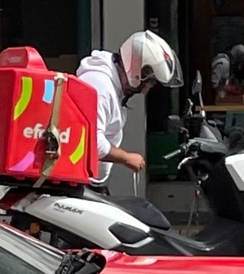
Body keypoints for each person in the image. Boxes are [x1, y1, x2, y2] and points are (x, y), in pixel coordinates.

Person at [73, 30, 180, 184]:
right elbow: (92, 142)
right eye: (150, 82)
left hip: (88, 181)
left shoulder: (109, 85)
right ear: (138, 72)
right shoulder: (101, 87)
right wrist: (127, 158)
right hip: (81, 182)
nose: (146, 90)